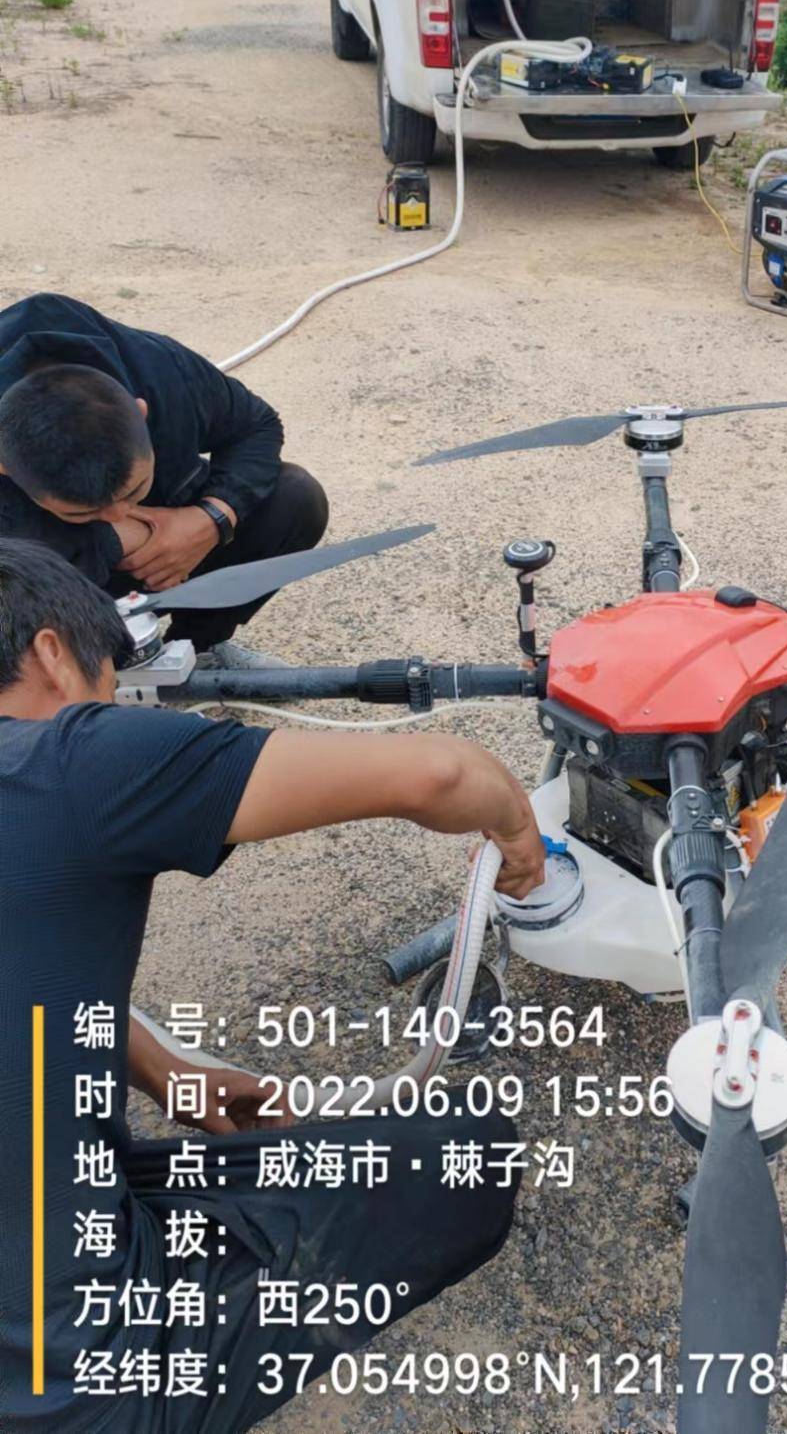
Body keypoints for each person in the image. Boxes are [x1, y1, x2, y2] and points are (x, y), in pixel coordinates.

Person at [0, 538, 546, 1431]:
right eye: (110, 686)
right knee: (464, 1152)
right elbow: (445, 773)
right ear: (57, 657)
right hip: (70, 1391)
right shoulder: (60, 762)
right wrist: (521, 844)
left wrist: (164, 1070)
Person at [0, 293, 329, 670]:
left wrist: (210, 519)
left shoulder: (160, 371)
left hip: (167, 555)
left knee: (294, 496)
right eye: (84, 512)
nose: (122, 513)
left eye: (134, 491)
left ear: (140, 412)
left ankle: (196, 652)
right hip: (50, 567)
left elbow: (257, 426)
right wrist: (114, 540)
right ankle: (84, 677)